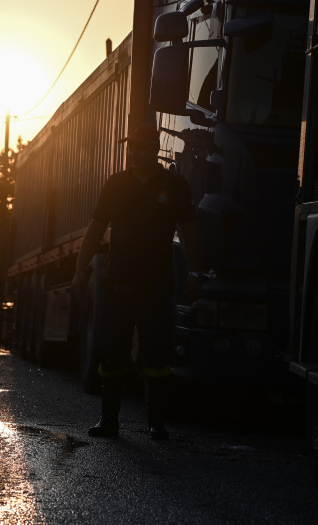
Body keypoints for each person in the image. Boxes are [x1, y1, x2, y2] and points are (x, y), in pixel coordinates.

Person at [71, 123, 205, 440]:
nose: (134, 152)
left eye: (141, 146)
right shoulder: (116, 184)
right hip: (118, 281)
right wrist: (79, 271)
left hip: (157, 283)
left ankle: (156, 423)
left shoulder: (175, 186)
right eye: (130, 147)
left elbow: (190, 233)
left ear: (155, 147)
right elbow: (94, 229)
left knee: (157, 353)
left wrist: (196, 272)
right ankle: (109, 421)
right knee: (112, 350)